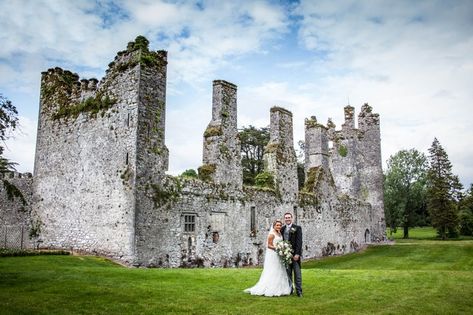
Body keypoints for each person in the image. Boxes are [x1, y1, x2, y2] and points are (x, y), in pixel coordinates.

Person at [244, 220, 292, 297]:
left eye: (280, 225)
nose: (279, 226)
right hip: (273, 254)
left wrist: (283, 248)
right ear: (274, 226)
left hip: (279, 254)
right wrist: (278, 248)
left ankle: (282, 288)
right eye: (277, 225)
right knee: (273, 270)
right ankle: (271, 288)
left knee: (280, 270)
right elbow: (269, 245)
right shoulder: (271, 234)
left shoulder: (279, 233)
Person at [281, 212, 303, 297]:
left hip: (295, 256)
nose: (287, 219)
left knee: (297, 274)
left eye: (289, 217)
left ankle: (299, 291)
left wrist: (297, 254)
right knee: (288, 274)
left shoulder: (297, 228)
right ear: (284, 219)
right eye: (286, 218)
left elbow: (299, 242)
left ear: (292, 218)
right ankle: (290, 289)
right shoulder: (282, 229)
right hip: (286, 256)